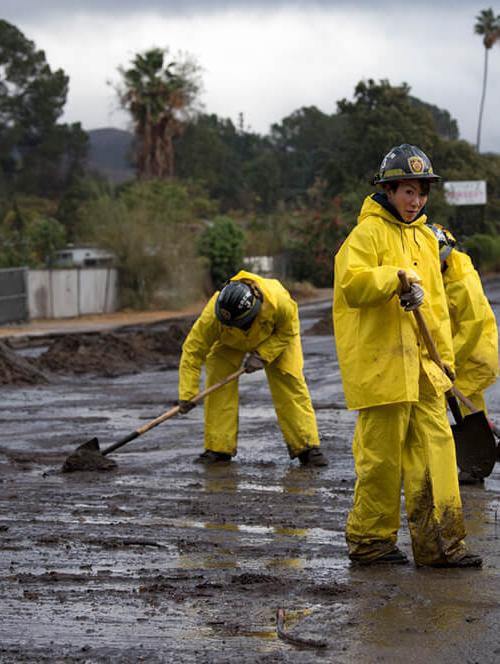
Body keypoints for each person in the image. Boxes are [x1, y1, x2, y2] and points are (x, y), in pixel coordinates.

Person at [332, 143, 481, 568]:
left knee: (437, 453)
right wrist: (392, 279)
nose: (415, 202)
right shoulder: (365, 234)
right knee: (380, 462)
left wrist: (445, 361)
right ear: (389, 190)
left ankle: (441, 545)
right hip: (381, 371)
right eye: (408, 192)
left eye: (421, 193)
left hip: (424, 369)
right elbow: (352, 286)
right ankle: (371, 543)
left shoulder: (425, 238)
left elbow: (435, 308)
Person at [178, 270, 324, 466]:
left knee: (289, 382)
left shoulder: (278, 301)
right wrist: (187, 394)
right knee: (218, 384)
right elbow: (192, 351)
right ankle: (218, 448)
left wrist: (264, 354)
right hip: (229, 343)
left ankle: (307, 448)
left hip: (276, 337)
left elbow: (289, 330)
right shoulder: (213, 315)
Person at [431, 224, 499, 417]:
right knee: (473, 409)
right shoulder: (442, 275)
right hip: (461, 356)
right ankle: (481, 445)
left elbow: (472, 327)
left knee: (436, 402)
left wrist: (447, 362)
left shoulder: (462, 281)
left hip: (474, 358)